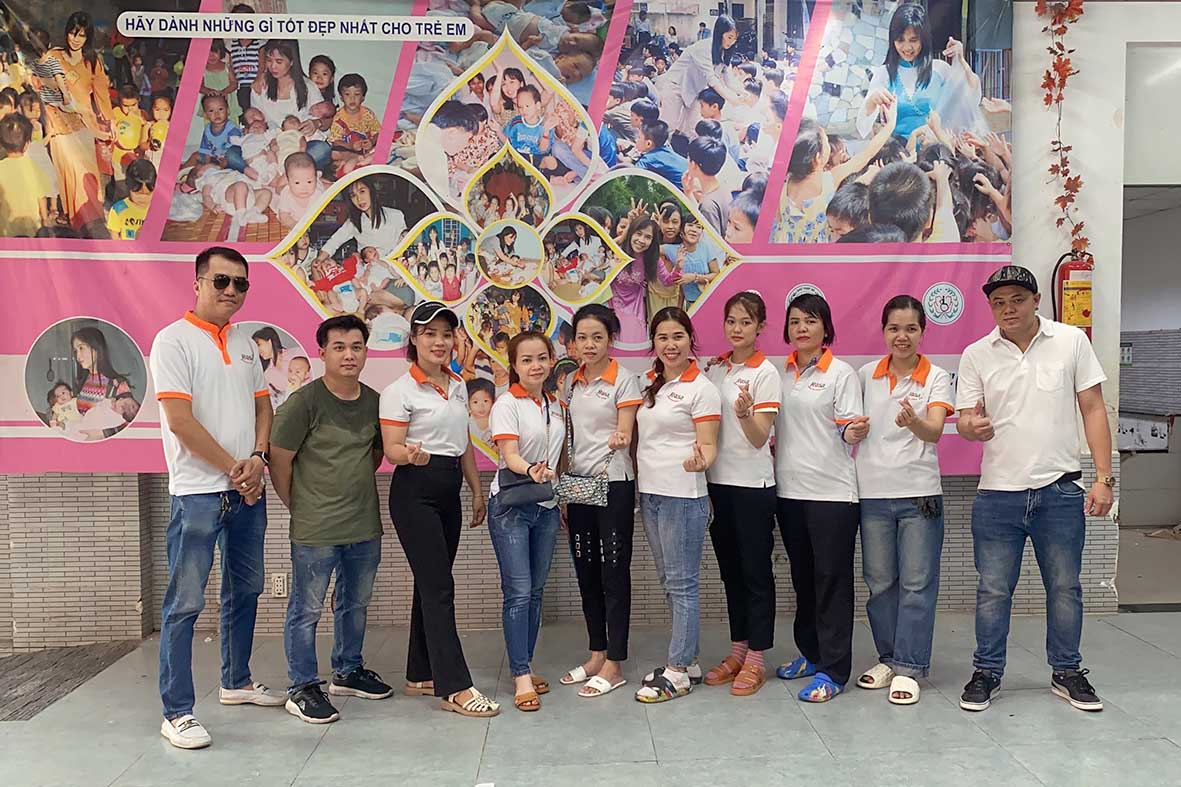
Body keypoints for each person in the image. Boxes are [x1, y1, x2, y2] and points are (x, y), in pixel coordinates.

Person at [955, 266, 1113, 713]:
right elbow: (965, 418)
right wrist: (970, 427)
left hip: (1059, 491)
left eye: (1017, 300)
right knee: (992, 590)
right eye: (998, 302)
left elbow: (1093, 408)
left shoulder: (1070, 341)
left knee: (1065, 587)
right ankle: (987, 672)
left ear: (1036, 299)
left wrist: (1103, 477)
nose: (1008, 309)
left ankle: (1067, 671)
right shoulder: (976, 354)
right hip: (997, 495)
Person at [149, 247, 283, 750]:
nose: (231, 291)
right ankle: (177, 712)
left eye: (240, 283)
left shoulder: (245, 342)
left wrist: (257, 457)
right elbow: (180, 422)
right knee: (184, 603)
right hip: (198, 495)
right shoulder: (173, 341)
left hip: (246, 491)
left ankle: (236, 682)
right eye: (221, 281)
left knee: (246, 590)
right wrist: (234, 468)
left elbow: (263, 407)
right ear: (198, 283)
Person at [268, 315, 392, 724]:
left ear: (366, 352)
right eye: (339, 347)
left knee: (355, 603)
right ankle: (302, 687)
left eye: (356, 347)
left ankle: (348, 670)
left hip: (363, 525)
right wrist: (300, 505)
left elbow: (375, 454)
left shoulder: (375, 402)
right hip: (315, 529)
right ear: (322, 353)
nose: (348, 355)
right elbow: (279, 461)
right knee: (306, 610)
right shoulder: (303, 403)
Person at [381, 302, 499, 717]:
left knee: (430, 584)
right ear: (413, 339)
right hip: (415, 491)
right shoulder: (399, 391)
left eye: (446, 334)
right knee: (440, 588)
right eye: (429, 333)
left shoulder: (458, 385)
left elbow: (463, 442)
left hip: (449, 488)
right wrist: (409, 455)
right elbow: (392, 448)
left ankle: (420, 672)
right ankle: (455, 686)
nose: (439, 341)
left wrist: (476, 489)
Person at [854, 296, 953, 705]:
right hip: (872, 494)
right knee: (880, 585)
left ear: (922, 332)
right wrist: (851, 430)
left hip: (919, 495)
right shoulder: (865, 375)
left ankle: (910, 667)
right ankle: (889, 658)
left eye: (911, 328)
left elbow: (935, 431)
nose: (902, 336)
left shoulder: (936, 377)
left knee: (916, 584)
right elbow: (849, 425)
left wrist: (915, 422)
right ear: (883, 331)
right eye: (894, 328)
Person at [774, 293, 865, 703]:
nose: (802, 328)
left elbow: (848, 427)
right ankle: (811, 654)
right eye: (795, 321)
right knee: (803, 580)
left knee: (832, 582)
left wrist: (853, 431)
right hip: (789, 493)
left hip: (832, 495)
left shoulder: (841, 374)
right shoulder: (781, 373)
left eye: (811, 321)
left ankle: (834, 670)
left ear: (825, 327)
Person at [634, 307, 721, 703]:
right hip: (651, 495)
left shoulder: (701, 388)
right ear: (654, 342)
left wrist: (702, 461)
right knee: (669, 582)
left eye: (678, 336)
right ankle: (690, 660)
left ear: (690, 340)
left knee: (683, 583)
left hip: (683, 498)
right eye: (663, 337)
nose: (670, 345)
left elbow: (708, 444)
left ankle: (678, 671)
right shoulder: (651, 384)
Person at [558, 305, 642, 699]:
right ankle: (597, 653)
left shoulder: (624, 380)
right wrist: (562, 490)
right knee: (586, 571)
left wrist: (621, 437)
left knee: (614, 573)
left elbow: (626, 429)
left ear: (611, 339)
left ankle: (615, 663)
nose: (589, 345)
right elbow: (568, 439)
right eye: (582, 338)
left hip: (614, 486)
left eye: (598, 337)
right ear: (573, 343)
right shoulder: (571, 383)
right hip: (579, 489)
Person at [703, 292, 781, 696]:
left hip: (753, 488)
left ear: (760, 327)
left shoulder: (765, 372)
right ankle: (738, 650)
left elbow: (758, 438)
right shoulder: (715, 369)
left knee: (755, 573)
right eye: (731, 321)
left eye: (746, 322)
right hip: (717, 485)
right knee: (730, 572)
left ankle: (756, 658)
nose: (737, 329)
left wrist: (745, 414)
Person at [488, 331, 566, 712]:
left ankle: (526, 664)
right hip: (512, 507)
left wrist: (559, 493)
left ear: (551, 360)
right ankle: (520, 674)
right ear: (514, 366)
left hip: (547, 506)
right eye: (526, 360)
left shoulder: (556, 404)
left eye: (541, 358)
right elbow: (510, 454)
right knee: (518, 592)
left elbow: (560, 453)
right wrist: (530, 470)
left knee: (535, 592)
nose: (535, 366)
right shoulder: (506, 404)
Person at [857, 3, 981, 142]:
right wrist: (872, 102)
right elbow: (862, 127)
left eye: (913, 40)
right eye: (900, 40)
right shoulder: (883, 74)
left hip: (934, 151)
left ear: (924, 38)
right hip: (898, 152)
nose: (907, 47)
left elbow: (972, 97)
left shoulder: (940, 70)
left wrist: (961, 60)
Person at [654, 15, 740, 135]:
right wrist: (731, 98)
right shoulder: (703, 48)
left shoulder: (724, 52)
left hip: (694, 91)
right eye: (729, 37)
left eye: (735, 39)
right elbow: (712, 80)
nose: (732, 42)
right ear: (719, 33)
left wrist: (743, 93)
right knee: (668, 125)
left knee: (694, 128)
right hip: (676, 86)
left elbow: (729, 79)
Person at [314, 178, 407, 263]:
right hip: (369, 270)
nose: (359, 199)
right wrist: (319, 259)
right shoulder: (354, 222)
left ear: (371, 191)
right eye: (353, 195)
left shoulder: (396, 215)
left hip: (393, 267)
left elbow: (405, 243)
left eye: (362, 191)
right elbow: (334, 241)